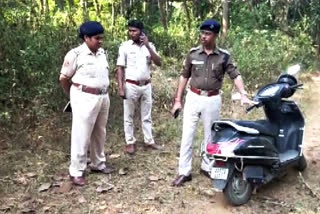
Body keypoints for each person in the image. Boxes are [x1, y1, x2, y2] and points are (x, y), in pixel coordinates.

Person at [171, 19, 255, 186]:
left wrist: (243, 93)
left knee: (211, 136)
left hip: (213, 99)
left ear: (215, 35)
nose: (203, 37)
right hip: (193, 97)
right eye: (202, 33)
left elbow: (235, 75)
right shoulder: (193, 54)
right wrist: (177, 100)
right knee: (187, 135)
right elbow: (184, 76)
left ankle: (207, 166)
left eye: (208, 34)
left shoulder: (224, 56)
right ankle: (184, 171)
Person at [59, 21, 115, 186]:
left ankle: (98, 163)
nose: (100, 41)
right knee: (81, 135)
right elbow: (63, 78)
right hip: (84, 97)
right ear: (86, 38)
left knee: (100, 132)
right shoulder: (75, 54)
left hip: (103, 97)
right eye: (97, 38)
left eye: (101, 38)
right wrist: (73, 96)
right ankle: (76, 171)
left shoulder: (102, 53)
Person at [116, 20, 162, 155]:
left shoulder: (150, 46)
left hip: (146, 85)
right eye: (130, 30)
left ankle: (149, 141)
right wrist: (120, 87)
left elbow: (158, 62)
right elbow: (120, 68)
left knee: (146, 115)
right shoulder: (125, 47)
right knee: (128, 115)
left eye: (134, 31)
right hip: (131, 85)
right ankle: (130, 142)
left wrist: (148, 46)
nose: (131, 33)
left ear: (141, 31)